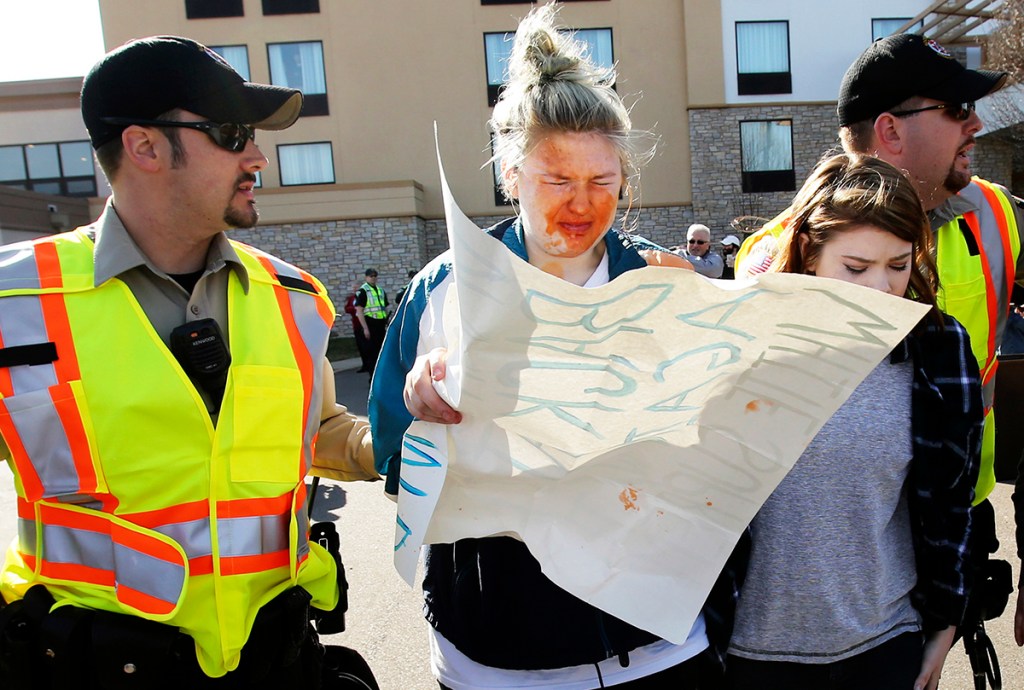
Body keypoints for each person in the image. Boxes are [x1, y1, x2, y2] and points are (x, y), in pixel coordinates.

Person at [369, 6, 745, 689]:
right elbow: (397, 469)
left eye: (601, 182)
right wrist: (425, 419)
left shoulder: (663, 286)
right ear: (510, 176)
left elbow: (725, 461)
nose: (581, 203)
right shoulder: (443, 293)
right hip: (496, 654)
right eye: (557, 181)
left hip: (659, 645)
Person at [0, 36, 379, 688]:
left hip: (278, 663)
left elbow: (321, 435)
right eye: (232, 134)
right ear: (145, 147)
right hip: (95, 669)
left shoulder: (295, 300)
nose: (258, 156)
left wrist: (425, 438)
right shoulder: (12, 304)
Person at [732, 33, 1023, 649]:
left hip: (958, 519)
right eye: (954, 108)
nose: (975, 123)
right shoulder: (771, 261)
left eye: (897, 266)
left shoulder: (998, 213)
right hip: (843, 568)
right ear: (891, 131)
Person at [726, 153, 982, 690]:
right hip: (746, 652)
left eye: (899, 264)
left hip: (886, 646)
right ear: (810, 255)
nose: (882, 289)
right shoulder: (741, 344)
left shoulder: (938, 347)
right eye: (856, 268)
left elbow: (951, 499)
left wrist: (946, 621)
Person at [355, 268, 389, 374]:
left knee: (381, 351)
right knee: (372, 352)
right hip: (370, 323)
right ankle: (372, 377)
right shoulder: (362, 291)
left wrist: (387, 321)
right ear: (366, 277)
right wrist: (365, 328)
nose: (373, 278)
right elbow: (359, 310)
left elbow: (384, 307)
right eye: (371, 276)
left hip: (381, 324)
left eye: (375, 276)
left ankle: (382, 374)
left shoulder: (380, 290)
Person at [344, 281, 374, 373]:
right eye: (353, 287)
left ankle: (370, 365)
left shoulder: (363, 296)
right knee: (360, 346)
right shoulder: (352, 298)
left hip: (364, 323)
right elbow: (347, 308)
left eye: (356, 287)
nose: (355, 289)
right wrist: (354, 309)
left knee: (367, 346)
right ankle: (364, 364)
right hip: (356, 324)